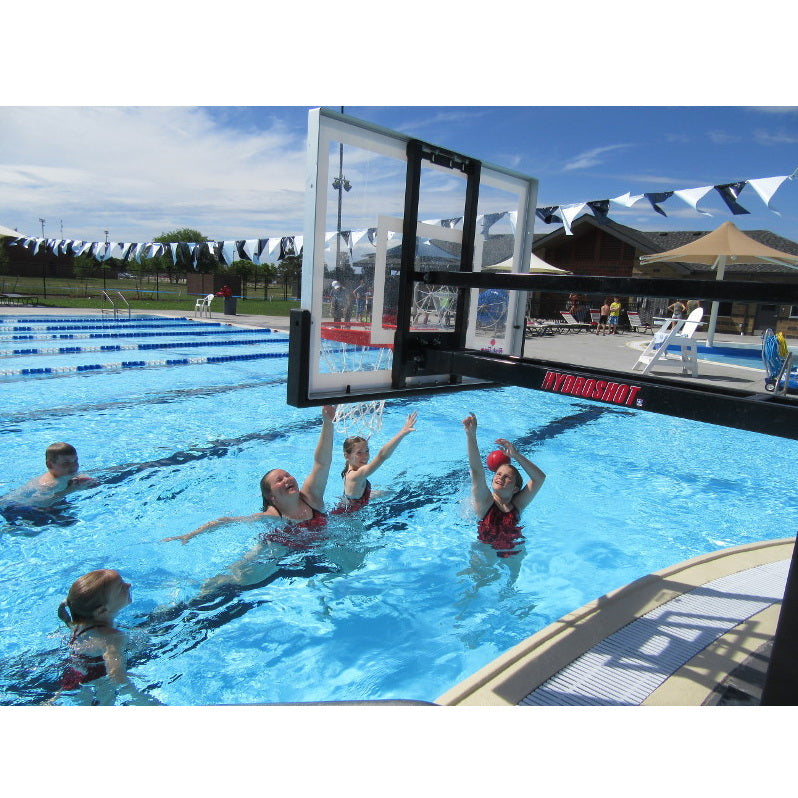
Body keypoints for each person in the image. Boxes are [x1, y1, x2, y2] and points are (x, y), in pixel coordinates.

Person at [163, 406, 336, 547]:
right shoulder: (273, 516)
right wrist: (191, 534)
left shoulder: (311, 498)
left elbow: (322, 463)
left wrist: (327, 422)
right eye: (279, 480)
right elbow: (226, 521)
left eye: (287, 475)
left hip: (320, 547)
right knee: (241, 570)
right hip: (281, 550)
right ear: (272, 497)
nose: (287, 479)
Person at [56, 569, 157, 704]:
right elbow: (116, 675)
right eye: (121, 587)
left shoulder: (79, 625)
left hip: (71, 676)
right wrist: (139, 697)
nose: (129, 585)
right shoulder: (112, 638)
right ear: (102, 610)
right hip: (97, 680)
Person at [462, 413, 546, 558]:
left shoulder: (517, 505)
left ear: (515, 489)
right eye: (499, 474)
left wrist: (516, 455)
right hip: (484, 553)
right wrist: (471, 436)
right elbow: (476, 471)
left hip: (514, 552)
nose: (500, 477)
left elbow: (539, 478)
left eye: (507, 477)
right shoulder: (485, 501)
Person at [333, 411, 418, 514]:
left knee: (389, 491)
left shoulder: (351, 468)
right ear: (347, 456)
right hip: (347, 519)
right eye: (359, 453)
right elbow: (382, 456)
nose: (365, 456)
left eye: (367, 451)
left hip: (352, 505)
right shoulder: (355, 476)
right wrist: (402, 433)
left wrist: (361, 445)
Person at [1, 442, 98, 510]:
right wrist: (70, 490)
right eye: (66, 463)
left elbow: (78, 475)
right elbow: (39, 502)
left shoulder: (63, 474)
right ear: (50, 465)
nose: (74, 466)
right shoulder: (51, 484)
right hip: (14, 506)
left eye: (75, 461)